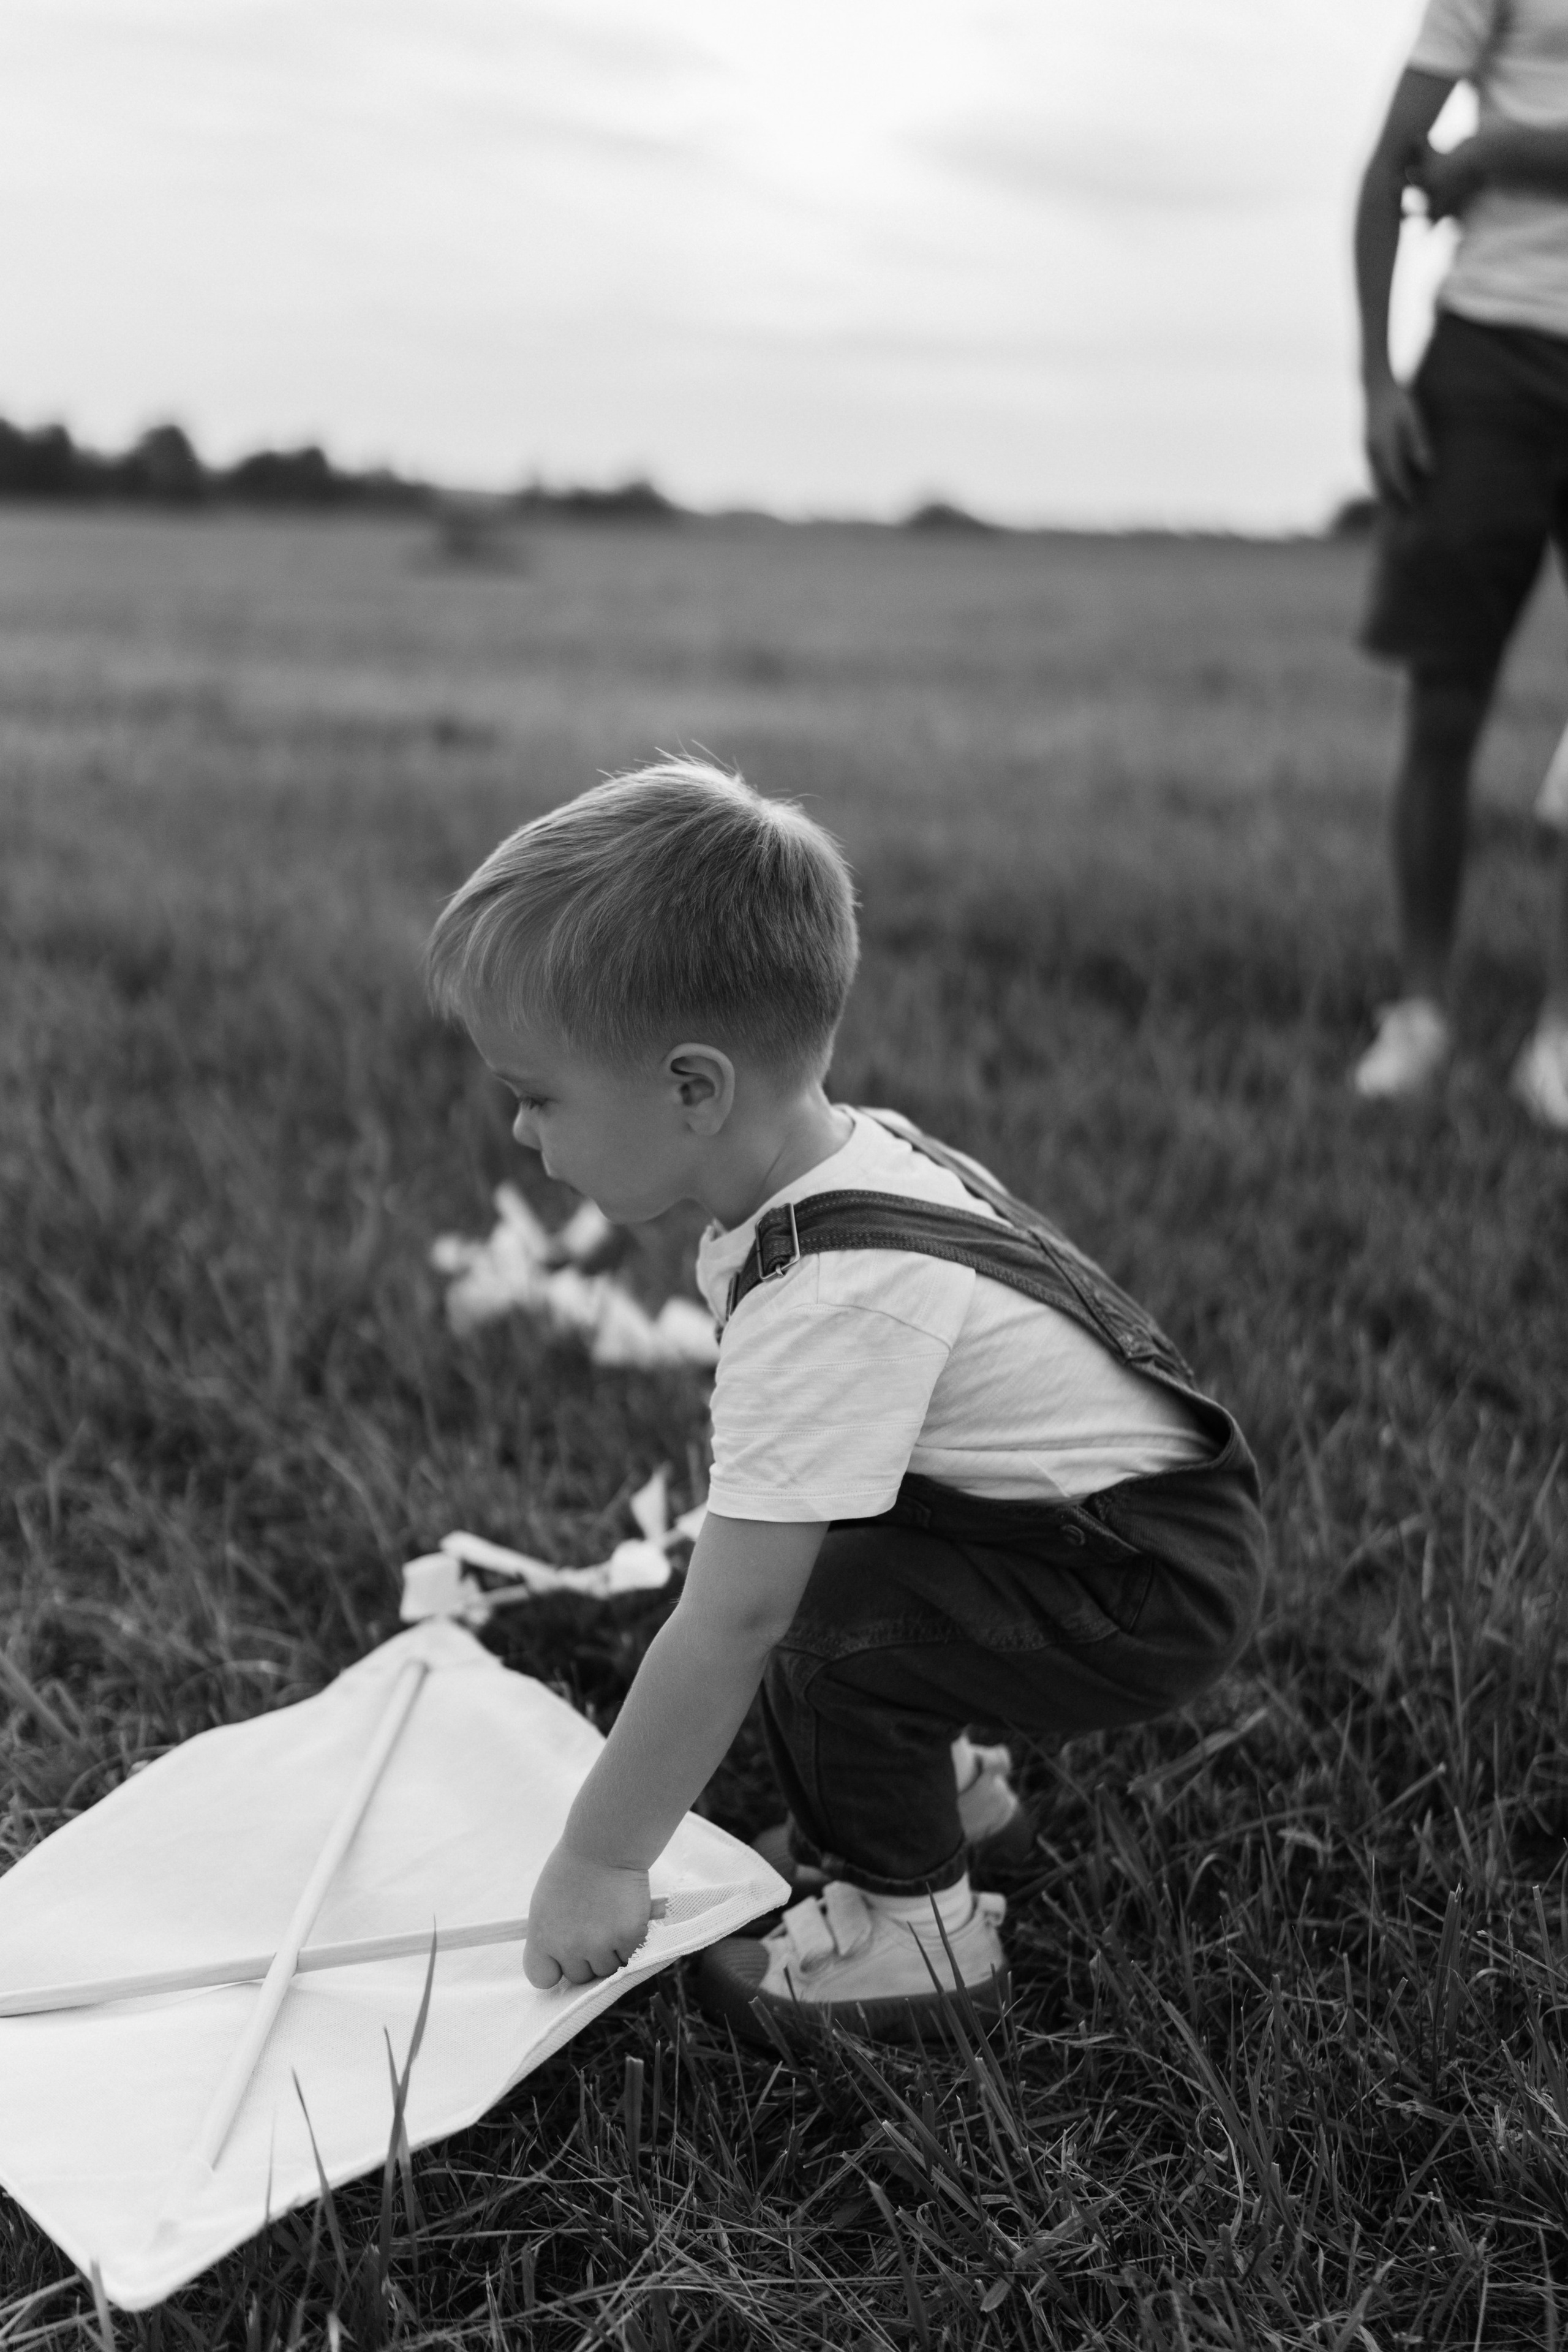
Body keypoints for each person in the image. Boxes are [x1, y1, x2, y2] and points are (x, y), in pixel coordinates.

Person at [424, 760, 1265, 2040]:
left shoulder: (830, 1295)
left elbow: (735, 1620)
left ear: (694, 1089)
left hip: (1140, 1583)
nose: (523, 1136)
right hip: (1114, 1529)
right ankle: (941, 1789)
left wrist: (600, 1856)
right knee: (821, 1572)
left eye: (538, 1097)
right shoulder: (852, 1154)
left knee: (812, 1632)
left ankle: (917, 1927)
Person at [1352, 0, 1568, 1126]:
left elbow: (1455, 154)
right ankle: (1422, 1012)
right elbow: (1391, 158)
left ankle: (1564, 1036)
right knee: (1443, 703)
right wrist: (1376, 381)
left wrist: (1497, 151)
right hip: (1487, 356)